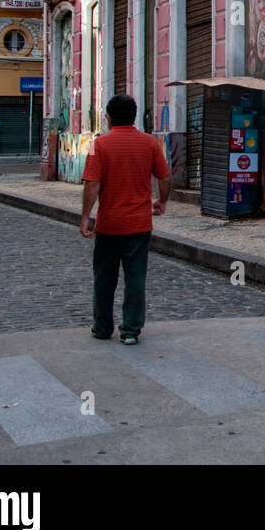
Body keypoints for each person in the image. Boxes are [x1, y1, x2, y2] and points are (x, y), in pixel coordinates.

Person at [79, 94, 172, 345]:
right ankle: (131, 330)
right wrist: (162, 201)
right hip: (140, 224)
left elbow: (92, 184)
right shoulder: (150, 143)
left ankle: (102, 326)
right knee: (135, 278)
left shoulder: (98, 145)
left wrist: (86, 217)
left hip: (109, 224)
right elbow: (164, 177)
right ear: (134, 115)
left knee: (104, 277)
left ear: (108, 118)